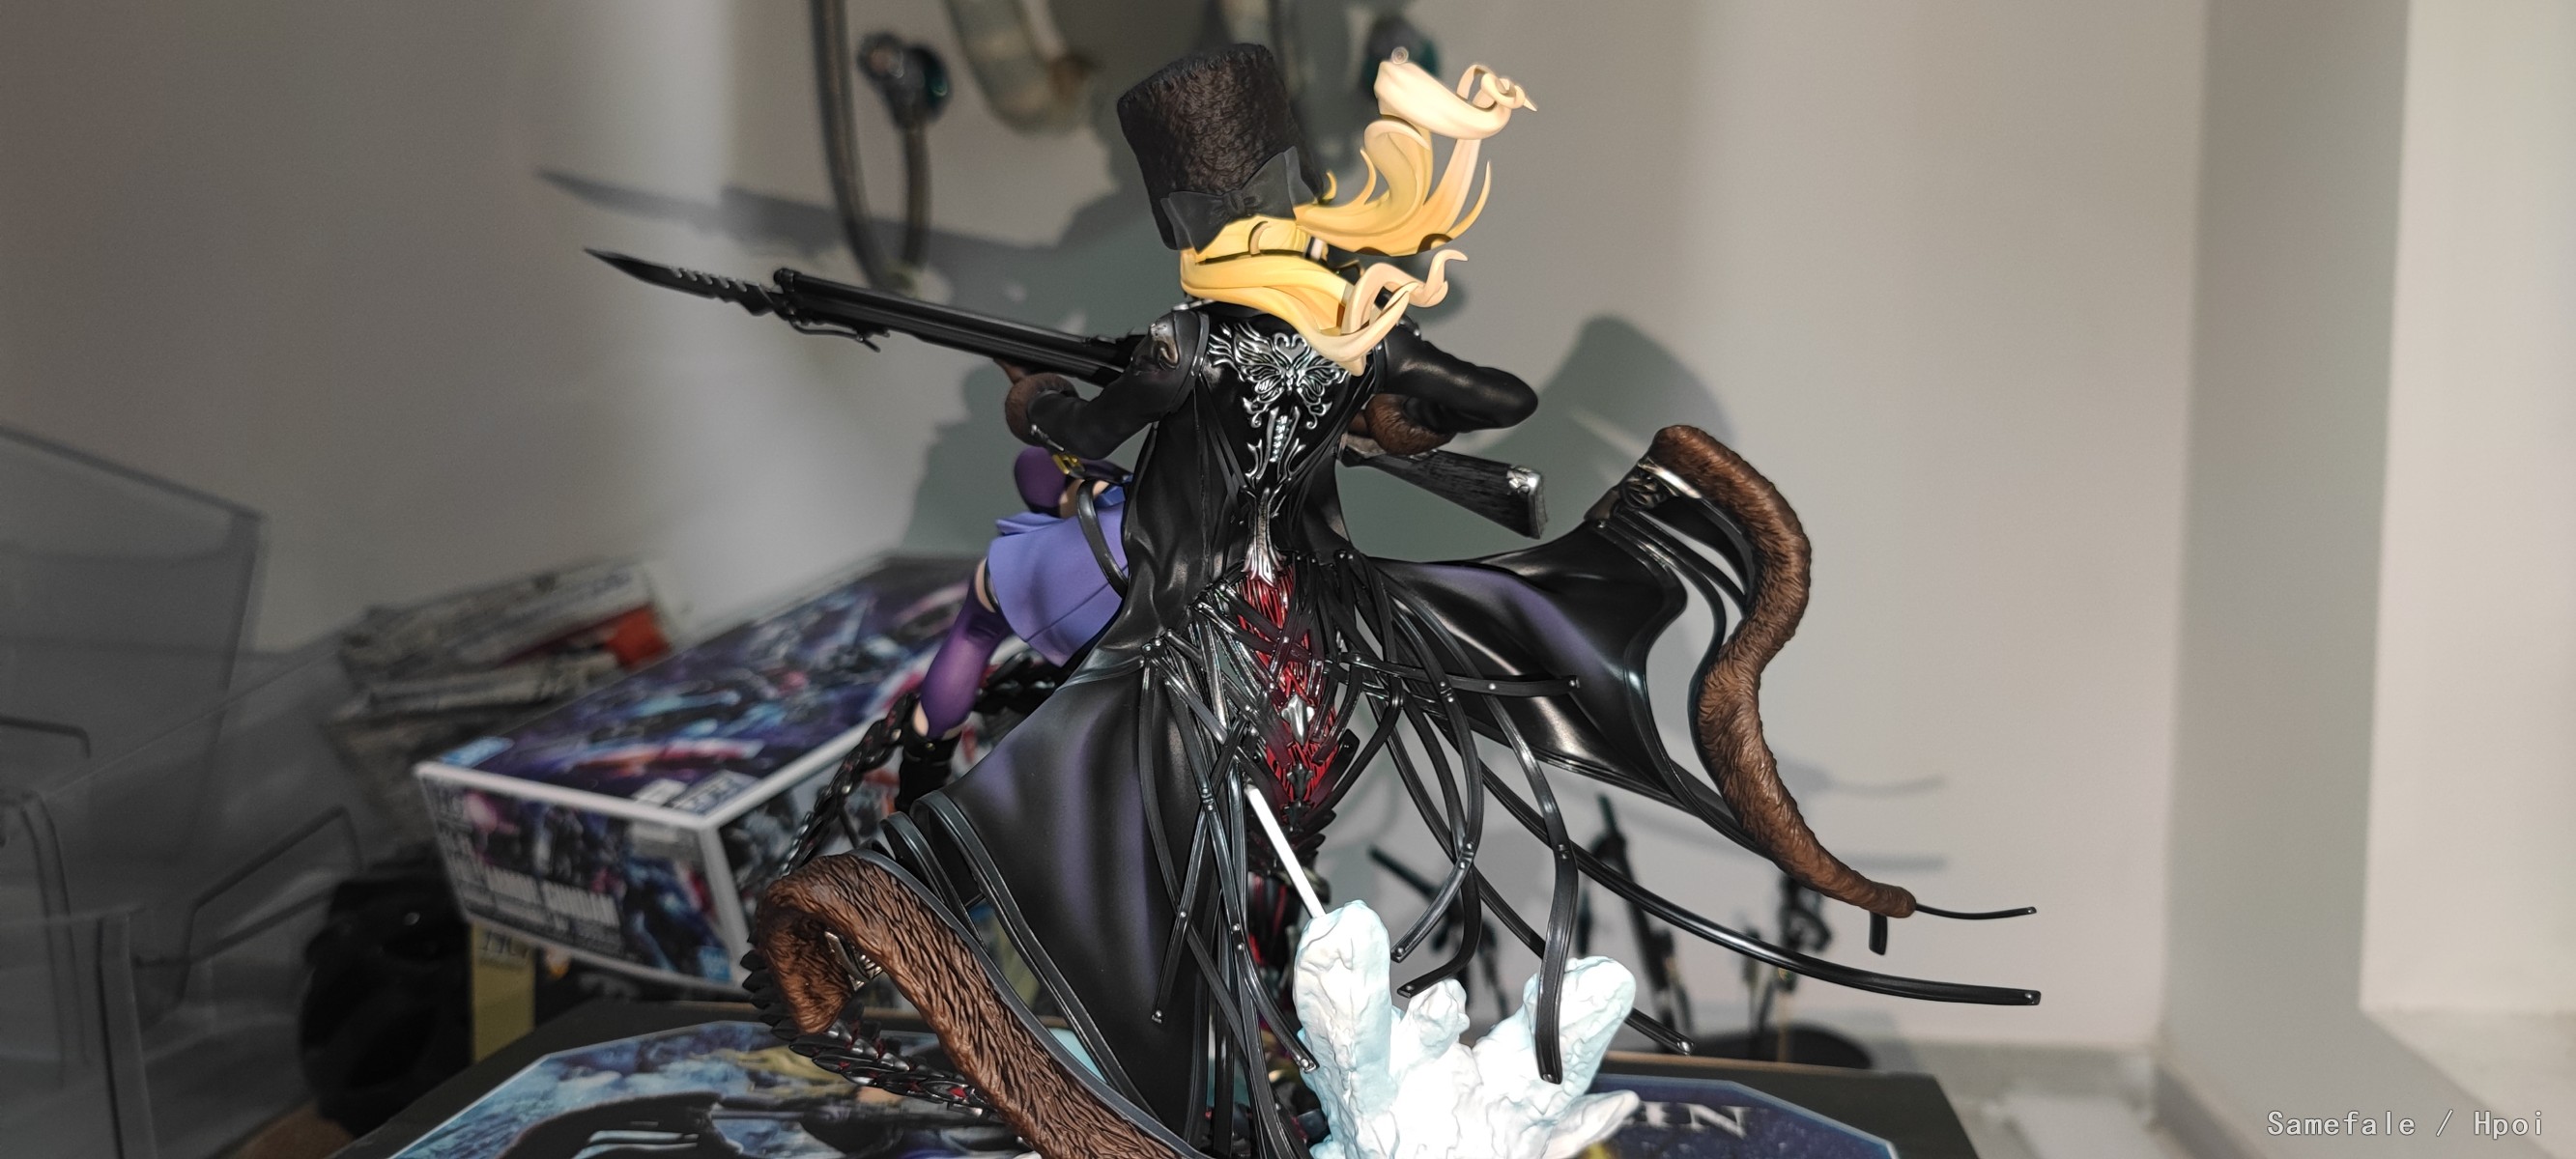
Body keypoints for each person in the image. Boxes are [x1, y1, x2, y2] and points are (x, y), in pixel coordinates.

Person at [751, 44, 2030, 1159]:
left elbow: (1079, 434)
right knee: (1252, 877)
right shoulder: (1346, 326)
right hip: (1322, 646)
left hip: (1196, 649)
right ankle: (1248, 1073)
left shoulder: (1185, 345)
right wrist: (1386, 388)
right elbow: (1501, 400)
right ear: (1282, 190)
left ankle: (1183, 1079)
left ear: (1182, 214)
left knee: (1099, 856)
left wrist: (1044, 398)